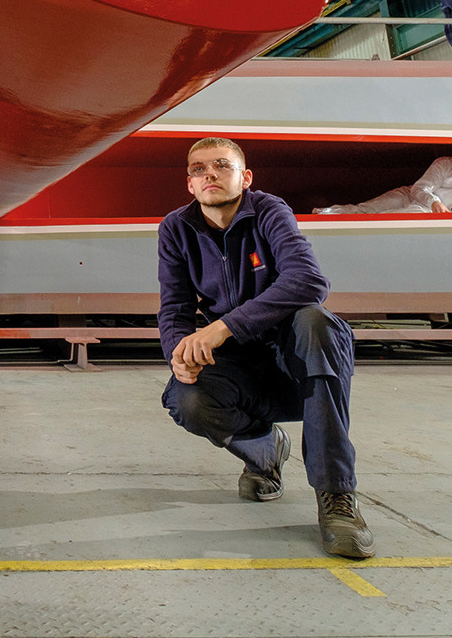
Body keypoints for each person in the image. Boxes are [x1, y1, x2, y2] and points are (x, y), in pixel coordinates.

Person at [158, 137, 373, 559]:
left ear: (245, 177)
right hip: (243, 368)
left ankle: (337, 498)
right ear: (190, 184)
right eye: (199, 169)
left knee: (316, 322)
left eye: (222, 165)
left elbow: (309, 282)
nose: (210, 174)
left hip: (300, 365)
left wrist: (223, 327)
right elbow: (175, 307)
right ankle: (264, 451)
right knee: (186, 398)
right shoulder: (176, 228)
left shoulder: (269, 211)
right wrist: (177, 353)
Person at [315, 149, 452, 215]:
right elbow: (420, 187)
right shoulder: (444, 164)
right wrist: (434, 201)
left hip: (430, 215)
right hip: (410, 195)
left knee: (385, 219)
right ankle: (325, 214)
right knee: (367, 210)